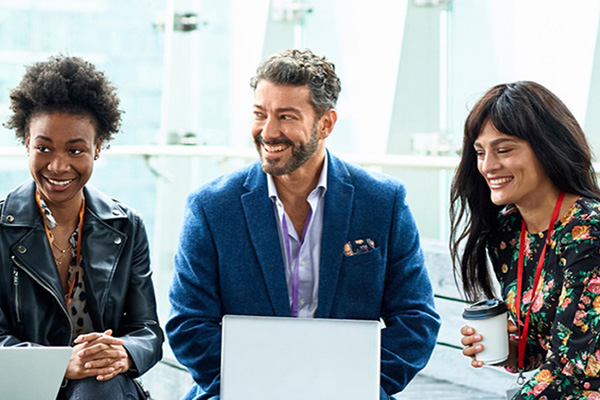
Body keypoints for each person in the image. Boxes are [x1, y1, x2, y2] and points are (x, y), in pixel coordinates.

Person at [166, 48, 440, 400]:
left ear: (326, 124)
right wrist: (252, 388)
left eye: (286, 117)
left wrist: (361, 385)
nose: (268, 131)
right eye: (260, 114)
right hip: (237, 393)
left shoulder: (382, 202)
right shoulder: (211, 208)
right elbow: (188, 325)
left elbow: (416, 319)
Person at [0, 55, 164, 399]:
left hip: (104, 385)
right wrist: (60, 364)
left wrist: (122, 352)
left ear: (98, 148)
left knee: (97, 386)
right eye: (44, 148)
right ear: (26, 142)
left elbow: (147, 330)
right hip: (20, 387)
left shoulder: (126, 226)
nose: (58, 166)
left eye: (75, 150)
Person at [450, 80, 600, 399]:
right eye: (480, 152)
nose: (488, 166)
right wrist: (505, 348)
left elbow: (574, 372)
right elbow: (538, 350)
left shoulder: (589, 230)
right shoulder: (509, 231)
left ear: (547, 149)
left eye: (503, 150)